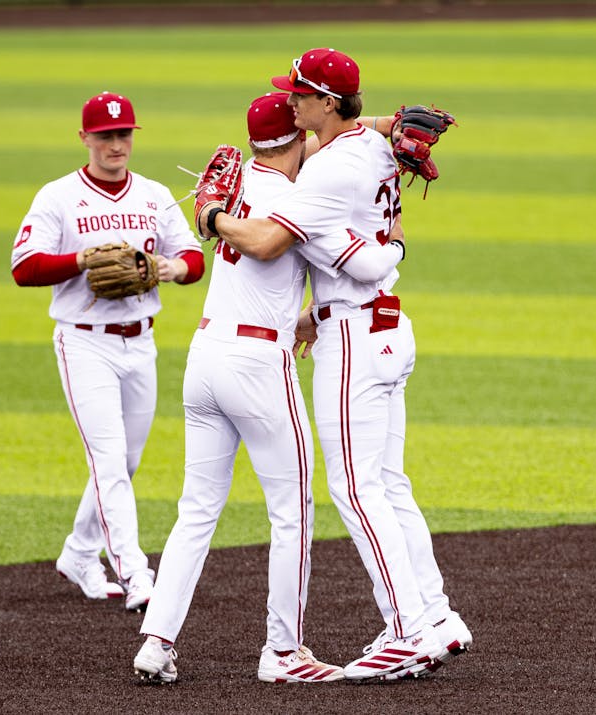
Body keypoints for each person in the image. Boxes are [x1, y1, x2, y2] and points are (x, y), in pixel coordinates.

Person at [195, 50, 472, 680]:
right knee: (390, 485)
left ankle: (405, 631)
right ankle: (437, 617)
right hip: (385, 327)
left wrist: (212, 216)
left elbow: (265, 242)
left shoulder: (325, 174)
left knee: (354, 487)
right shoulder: (371, 149)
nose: (291, 101)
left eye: (300, 93)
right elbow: (365, 140)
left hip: (353, 340)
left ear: (324, 101)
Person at [132, 93, 407, 684]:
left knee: (196, 510)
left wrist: (212, 216)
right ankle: (283, 651)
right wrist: (395, 243)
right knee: (293, 510)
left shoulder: (240, 185)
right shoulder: (302, 200)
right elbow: (359, 264)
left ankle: (156, 642)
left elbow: (315, 141)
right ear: (297, 138)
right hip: (258, 364)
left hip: (204, 358)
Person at [10, 91, 205, 611]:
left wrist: (172, 268)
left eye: (124, 134)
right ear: (85, 139)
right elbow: (24, 268)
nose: (116, 144)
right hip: (83, 343)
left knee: (126, 460)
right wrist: (80, 259)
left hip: (141, 342)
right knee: (109, 462)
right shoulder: (58, 197)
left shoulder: (154, 195)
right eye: (105, 136)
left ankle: (78, 552)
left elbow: (192, 256)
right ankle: (136, 573)